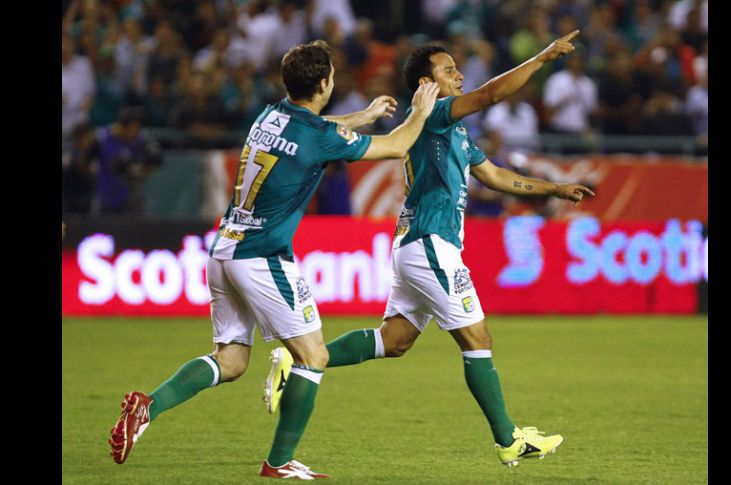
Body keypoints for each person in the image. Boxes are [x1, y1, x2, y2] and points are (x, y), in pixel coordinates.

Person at [108, 39, 440, 480]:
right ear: (324, 85)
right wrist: (420, 111)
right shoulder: (317, 136)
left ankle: (148, 406)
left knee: (230, 361)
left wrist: (361, 117)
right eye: (332, 78)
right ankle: (279, 462)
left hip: (224, 249)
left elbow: (317, 129)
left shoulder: (270, 115)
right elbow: (396, 146)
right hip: (262, 256)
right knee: (313, 357)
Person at [265, 31, 595, 468]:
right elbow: (492, 94)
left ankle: (298, 359)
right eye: (448, 69)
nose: (458, 74)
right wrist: (542, 58)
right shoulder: (436, 114)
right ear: (427, 84)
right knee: (477, 338)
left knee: (394, 341)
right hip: (431, 242)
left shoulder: (454, 131)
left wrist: (554, 188)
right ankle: (508, 439)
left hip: (415, 245)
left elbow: (496, 176)